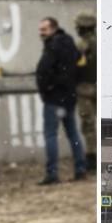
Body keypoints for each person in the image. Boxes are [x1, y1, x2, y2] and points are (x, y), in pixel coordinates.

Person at [35, 16, 86, 185]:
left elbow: (43, 71)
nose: (41, 33)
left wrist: (46, 89)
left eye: (44, 29)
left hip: (54, 98)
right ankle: (80, 169)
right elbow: (79, 65)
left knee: (51, 135)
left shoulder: (52, 46)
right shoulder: (69, 42)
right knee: (73, 133)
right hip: (69, 96)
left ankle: (52, 173)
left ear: (54, 28)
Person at [73, 11, 98, 173]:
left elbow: (76, 66)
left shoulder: (81, 46)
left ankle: (92, 157)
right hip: (98, 86)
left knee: (88, 124)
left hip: (84, 88)